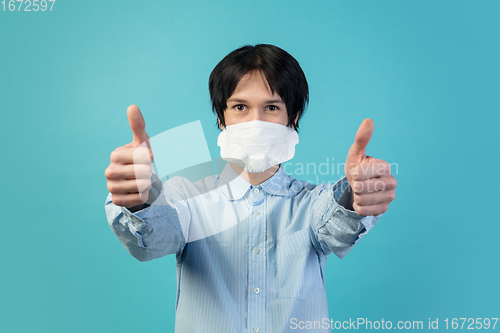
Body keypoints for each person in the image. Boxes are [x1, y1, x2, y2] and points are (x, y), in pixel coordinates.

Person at [104, 44, 397, 333]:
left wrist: (355, 194)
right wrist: (139, 199)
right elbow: (153, 236)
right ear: (221, 118)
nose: (255, 123)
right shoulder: (188, 198)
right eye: (240, 107)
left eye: (271, 107)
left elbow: (337, 224)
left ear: (292, 118)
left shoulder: (310, 204)